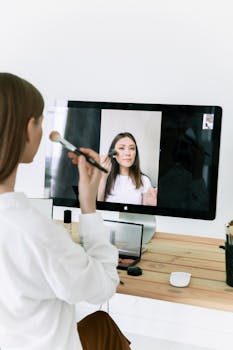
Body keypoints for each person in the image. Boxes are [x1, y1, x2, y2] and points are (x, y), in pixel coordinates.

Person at [0, 73, 131, 350]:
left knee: (101, 325)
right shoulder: (35, 233)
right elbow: (105, 285)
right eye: (39, 120)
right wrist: (89, 206)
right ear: (27, 129)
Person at [98, 132, 157, 206]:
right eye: (121, 148)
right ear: (113, 154)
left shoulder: (144, 180)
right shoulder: (104, 178)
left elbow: (146, 212)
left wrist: (151, 203)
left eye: (132, 148)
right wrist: (103, 177)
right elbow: (98, 208)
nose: (128, 153)